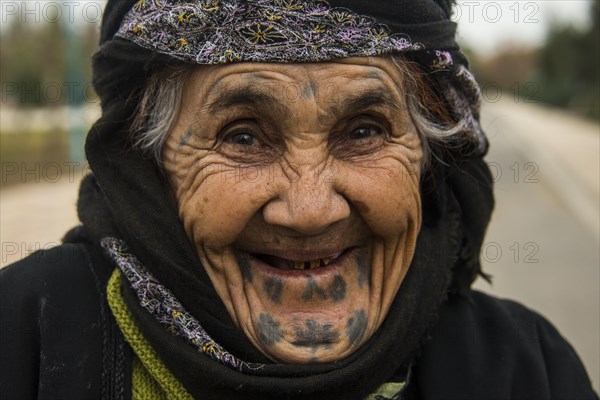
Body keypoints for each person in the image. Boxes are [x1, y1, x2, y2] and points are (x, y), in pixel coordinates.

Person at [0, 1, 597, 399]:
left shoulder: (526, 373)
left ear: (429, 155)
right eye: (242, 136)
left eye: (363, 131)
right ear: (149, 165)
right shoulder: (26, 341)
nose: (310, 209)